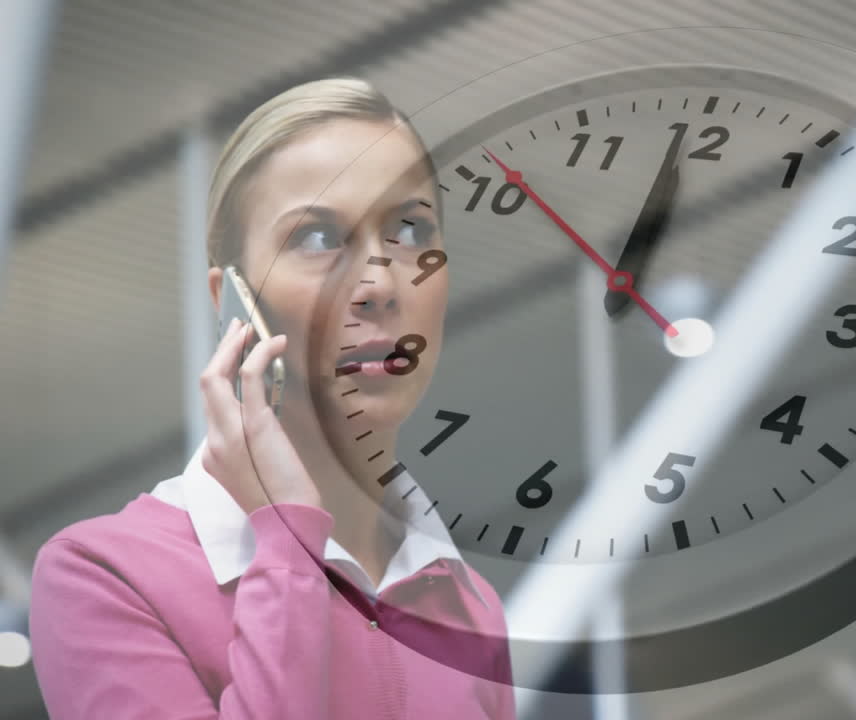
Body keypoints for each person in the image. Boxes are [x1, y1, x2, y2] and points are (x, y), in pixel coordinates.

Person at [27, 77, 515, 719]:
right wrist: (288, 543)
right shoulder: (104, 575)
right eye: (317, 238)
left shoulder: (468, 604)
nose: (380, 285)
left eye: (410, 228)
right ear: (231, 302)